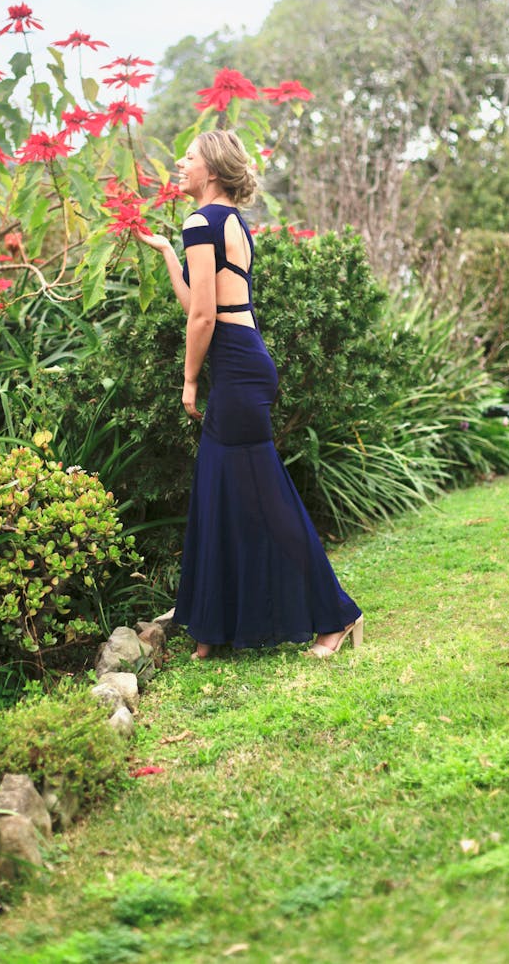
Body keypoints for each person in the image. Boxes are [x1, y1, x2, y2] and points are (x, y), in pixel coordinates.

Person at [135, 130, 363, 659]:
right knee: (220, 491)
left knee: (264, 496)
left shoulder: (202, 221)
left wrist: (190, 379)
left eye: (188, 158)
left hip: (235, 369)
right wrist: (169, 252)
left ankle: (339, 614)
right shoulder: (228, 221)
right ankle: (213, 631)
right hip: (246, 361)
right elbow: (201, 298)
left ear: (210, 170)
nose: (180, 164)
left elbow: (203, 316)